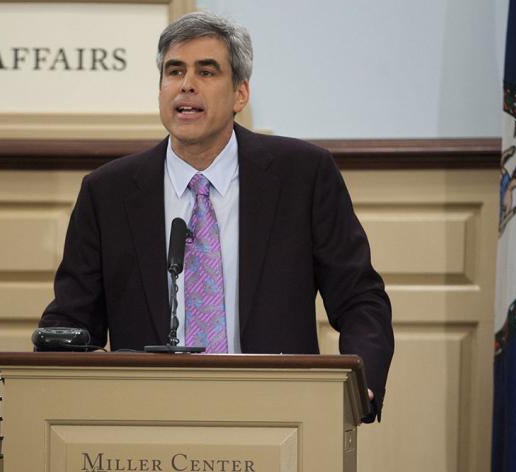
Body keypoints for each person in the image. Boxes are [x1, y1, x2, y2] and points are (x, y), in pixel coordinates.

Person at [39, 11, 393, 422]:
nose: (186, 84)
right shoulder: (108, 192)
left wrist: (360, 380)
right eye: (174, 71)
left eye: (206, 72)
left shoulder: (304, 176)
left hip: (279, 413)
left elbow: (359, 298)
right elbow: (70, 318)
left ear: (240, 94)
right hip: (143, 419)